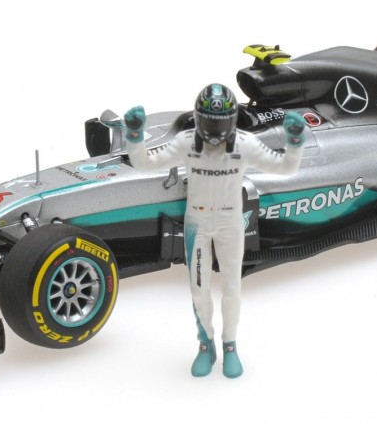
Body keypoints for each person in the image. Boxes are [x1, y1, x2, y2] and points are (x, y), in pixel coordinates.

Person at [124, 83, 306, 378]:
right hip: (197, 223)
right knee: (199, 289)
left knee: (232, 288)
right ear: (197, 118)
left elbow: (284, 167)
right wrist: (134, 135)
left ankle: (230, 345)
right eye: (209, 123)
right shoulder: (186, 142)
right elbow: (146, 163)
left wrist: (295, 142)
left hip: (230, 223)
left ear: (233, 120)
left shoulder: (245, 143)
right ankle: (205, 345)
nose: (214, 131)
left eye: (220, 123)